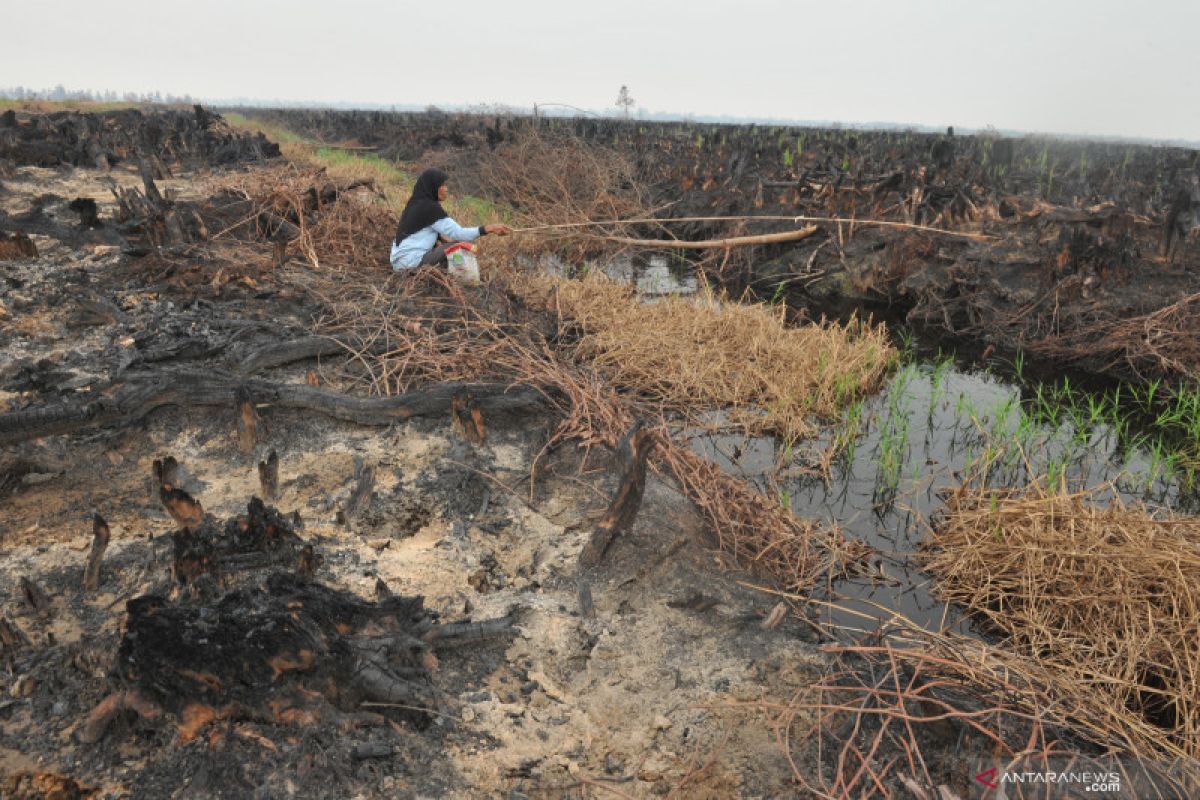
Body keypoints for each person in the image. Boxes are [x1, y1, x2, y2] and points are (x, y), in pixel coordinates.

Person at [390, 167, 512, 271]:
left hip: (398, 262)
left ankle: (457, 275)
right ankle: (466, 280)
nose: (446, 188)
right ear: (433, 187)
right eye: (442, 185)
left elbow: (424, 233)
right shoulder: (430, 208)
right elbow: (459, 234)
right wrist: (489, 228)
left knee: (446, 245)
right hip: (410, 262)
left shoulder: (415, 203)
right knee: (458, 246)